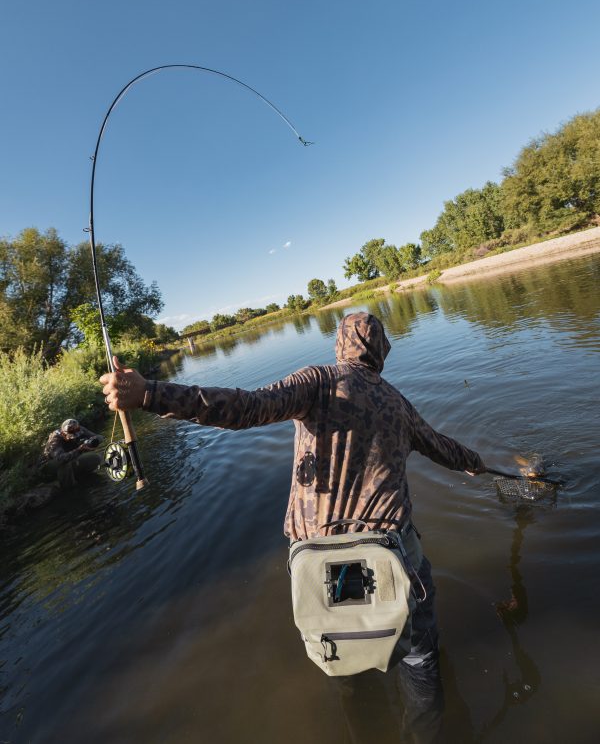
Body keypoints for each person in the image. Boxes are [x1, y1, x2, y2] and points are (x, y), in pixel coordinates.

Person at [100, 312, 486, 742]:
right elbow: (443, 448)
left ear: (340, 345)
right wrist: (475, 463)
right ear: (381, 352)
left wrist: (151, 394)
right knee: (419, 657)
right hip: (396, 555)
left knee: (342, 659)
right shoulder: (399, 404)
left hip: (325, 568)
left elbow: (245, 407)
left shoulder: (318, 381)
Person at [41, 418, 102, 488]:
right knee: (65, 463)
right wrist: (79, 450)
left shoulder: (79, 429)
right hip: (50, 464)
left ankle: (79, 476)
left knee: (95, 458)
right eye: (71, 436)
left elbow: (99, 437)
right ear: (63, 433)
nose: (74, 437)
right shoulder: (55, 439)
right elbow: (61, 458)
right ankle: (68, 487)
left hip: (70, 458)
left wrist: (92, 442)